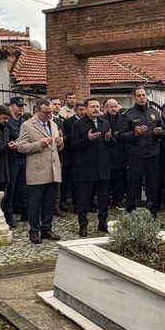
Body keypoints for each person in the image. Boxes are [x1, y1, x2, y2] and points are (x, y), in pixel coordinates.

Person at [16, 99, 64, 244]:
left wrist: (60, 144)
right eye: (46, 113)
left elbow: (57, 147)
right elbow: (21, 147)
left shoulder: (54, 124)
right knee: (35, 203)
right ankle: (34, 230)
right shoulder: (27, 125)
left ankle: (46, 228)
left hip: (53, 169)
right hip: (37, 170)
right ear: (37, 110)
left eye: (50, 112)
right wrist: (39, 144)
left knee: (50, 202)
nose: (49, 115)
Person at [120, 87, 165, 216]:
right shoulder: (129, 115)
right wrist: (135, 133)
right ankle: (131, 213)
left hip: (152, 156)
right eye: (138, 95)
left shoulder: (155, 113)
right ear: (135, 97)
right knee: (133, 186)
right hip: (136, 156)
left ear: (146, 97)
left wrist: (159, 133)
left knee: (152, 186)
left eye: (143, 95)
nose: (141, 97)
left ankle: (153, 213)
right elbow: (121, 136)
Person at [71, 98, 111, 236]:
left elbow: (112, 144)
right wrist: (88, 139)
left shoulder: (105, 122)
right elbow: (74, 144)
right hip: (86, 168)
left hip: (103, 168)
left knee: (104, 199)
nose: (96, 109)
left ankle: (102, 223)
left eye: (98, 106)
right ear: (86, 109)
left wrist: (109, 139)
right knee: (84, 200)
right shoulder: (78, 124)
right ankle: (83, 225)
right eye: (93, 106)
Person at [60, 101, 86, 212]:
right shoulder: (68, 122)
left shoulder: (86, 121)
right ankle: (76, 205)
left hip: (85, 156)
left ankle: (86, 203)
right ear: (75, 111)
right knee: (75, 183)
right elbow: (67, 140)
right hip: (73, 156)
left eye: (84, 110)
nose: (82, 112)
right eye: (80, 110)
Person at [6, 97, 28, 223]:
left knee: (24, 187)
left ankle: (25, 212)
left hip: (23, 156)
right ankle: (9, 216)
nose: (20, 108)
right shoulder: (7, 122)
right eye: (18, 105)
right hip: (13, 157)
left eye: (22, 105)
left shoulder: (23, 121)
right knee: (12, 187)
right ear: (12, 106)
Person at [103, 99, 127, 209]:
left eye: (115, 106)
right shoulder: (102, 119)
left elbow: (123, 131)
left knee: (119, 179)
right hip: (106, 153)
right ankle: (106, 200)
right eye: (111, 107)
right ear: (106, 108)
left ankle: (118, 200)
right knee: (107, 180)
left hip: (119, 152)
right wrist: (115, 133)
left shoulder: (122, 118)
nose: (113, 109)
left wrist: (114, 134)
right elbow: (103, 133)